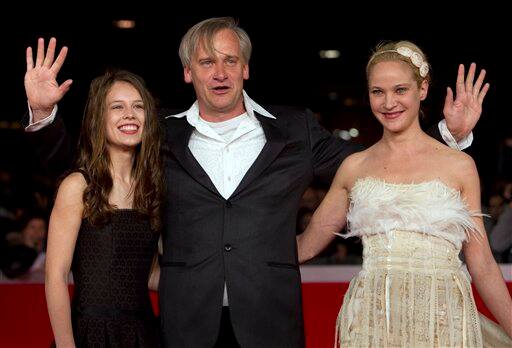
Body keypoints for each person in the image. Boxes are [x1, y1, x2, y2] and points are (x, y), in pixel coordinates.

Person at [25, 19, 483, 347]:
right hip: (184, 325)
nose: (219, 72)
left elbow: (376, 166)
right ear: (189, 72)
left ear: (246, 68)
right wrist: (45, 116)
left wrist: (447, 137)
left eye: (230, 60)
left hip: (270, 319)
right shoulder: (159, 135)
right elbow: (86, 169)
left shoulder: (296, 130)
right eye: (206, 62)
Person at [297, 40, 512, 347]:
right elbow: (306, 246)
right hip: (371, 323)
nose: (388, 103)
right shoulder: (354, 167)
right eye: (377, 92)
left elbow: (483, 264)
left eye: (400, 90)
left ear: (422, 89)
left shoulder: (460, 166)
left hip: (443, 322)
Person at [26, 39, 165, 347]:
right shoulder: (78, 185)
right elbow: (56, 277)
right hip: (90, 335)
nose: (129, 114)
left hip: (145, 334)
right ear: (98, 120)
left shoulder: (154, 188)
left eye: (138, 106)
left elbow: (149, 275)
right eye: (117, 107)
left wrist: (211, 278)